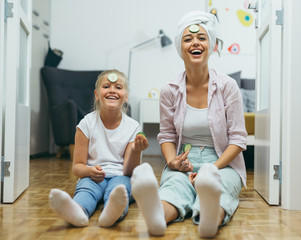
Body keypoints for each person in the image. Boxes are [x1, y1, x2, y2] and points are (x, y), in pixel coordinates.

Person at [130, 10, 247, 238]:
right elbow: (167, 136)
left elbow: (238, 140)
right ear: (180, 47)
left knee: (219, 188)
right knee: (174, 188)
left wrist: (211, 168)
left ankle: (209, 217)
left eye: (202, 38)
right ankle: (157, 217)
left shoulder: (227, 86)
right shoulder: (169, 90)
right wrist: (173, 161)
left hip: (222, 163)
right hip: (185, 161)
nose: (195, 43)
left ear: (211, 45)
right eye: (188, 39)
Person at [49, 69, 148, 227]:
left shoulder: (133, 127)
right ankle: (78, 212)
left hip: (120, 175)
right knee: (86, 190)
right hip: (92, 176)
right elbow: (77, 168)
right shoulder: (86, 124)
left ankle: (111, 214)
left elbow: (129, 171)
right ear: (96, 94)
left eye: (118, 87)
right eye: (107, 86)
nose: (112, 91)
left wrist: (136, 150)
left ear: (126, 97)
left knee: (119, 190)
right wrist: (89, 172)